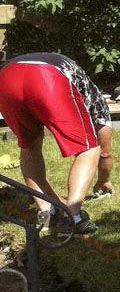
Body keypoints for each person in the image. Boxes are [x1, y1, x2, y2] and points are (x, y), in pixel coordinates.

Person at [0, 53, 111, 235]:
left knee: (29, 146)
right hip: (46, 77)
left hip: (5, 79)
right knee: (89, 148)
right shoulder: (96, 98)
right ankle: (74, 217)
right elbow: (105, 149)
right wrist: (104, 179)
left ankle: (45, 212)